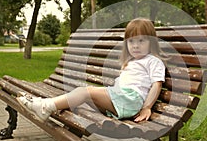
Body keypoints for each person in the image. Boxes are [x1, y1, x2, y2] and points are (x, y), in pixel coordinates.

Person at [17, 18, 166, 123]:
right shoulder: (130, 62)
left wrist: (147, 107)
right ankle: (46, 104)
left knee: (84, 92)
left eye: (141, 40)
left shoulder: (153, 61)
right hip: (120, 98)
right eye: (131, 41)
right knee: (82, 97)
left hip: (130, 100)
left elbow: (157, 85)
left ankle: (45, 107)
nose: (135, 45)